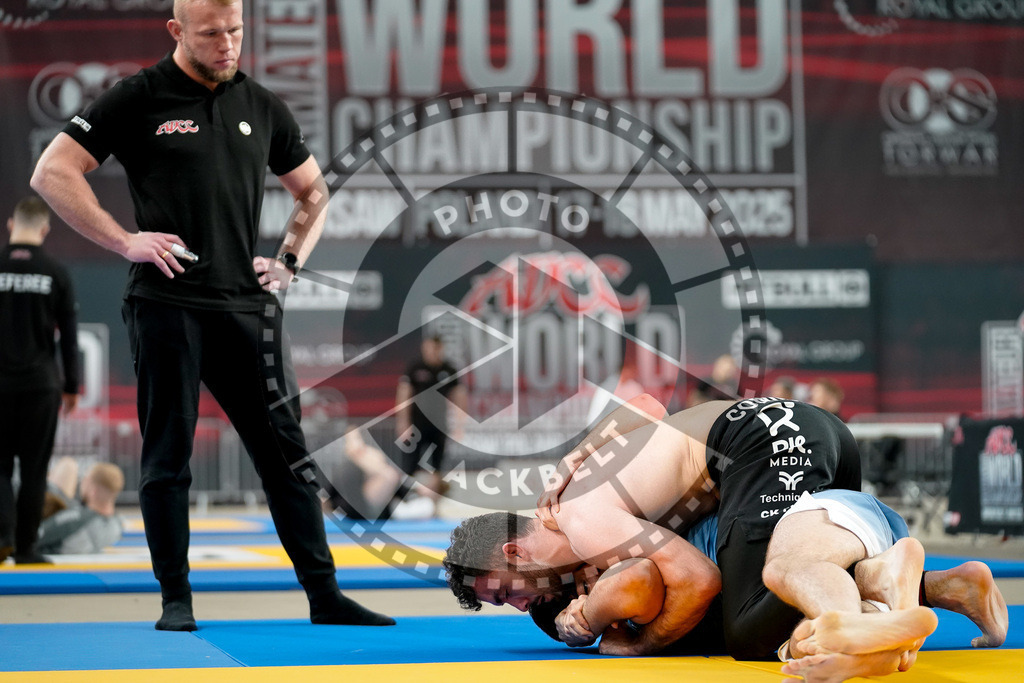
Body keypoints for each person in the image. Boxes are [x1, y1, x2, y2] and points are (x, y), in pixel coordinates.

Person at [30, 0, 393, 631]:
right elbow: (52, 171)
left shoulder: (262, 105)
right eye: (211, 34)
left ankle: (325, 595)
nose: (227, 44)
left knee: (286, 456)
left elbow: (313, 190)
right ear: (176, 32)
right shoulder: (137, 96)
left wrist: (289, 260)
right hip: (167, 305)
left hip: (245, 310)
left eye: (236, 31)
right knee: (168, 458)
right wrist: (124, 241)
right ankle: (176, 599)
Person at [447, 395, 871, 661]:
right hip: (812, 426)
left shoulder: (580, 520)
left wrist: (641, 645)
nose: (520, 607)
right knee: (816, 560)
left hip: (761, 443)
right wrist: (576, 453)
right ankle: (911, 583)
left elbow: (700, 580)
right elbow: (648, 405)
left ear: (513, 552)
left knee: (746, 632)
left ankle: (874, 600)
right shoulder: (572, 496)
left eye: (505, 593)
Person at [0, 196, 80, 565]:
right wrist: (71, 387)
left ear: (11, 225)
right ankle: (26, 547)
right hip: (40, 386)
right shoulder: (56, 273)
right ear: (45, 230)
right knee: (34, 470)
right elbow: (70, 335)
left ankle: (2, 537)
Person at [394, 334, 467, 515]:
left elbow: (459, 397)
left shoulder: (448, 369)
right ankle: (404, 501)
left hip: (439, 426)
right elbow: (404, 395)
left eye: (433, 349)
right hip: (416, 425)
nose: (430, 353)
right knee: (409, 465)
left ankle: (433, 505)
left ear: (439, 349)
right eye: (426, 349)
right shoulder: (415, 368)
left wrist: (459, 425)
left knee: (437, 466)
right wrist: (403, 423)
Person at [36, 456, 125, 555]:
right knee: (68, 466)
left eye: (85, 479)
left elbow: (37, 536)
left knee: (68, 466)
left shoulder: (76, 519)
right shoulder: (116, 524)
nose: (81, 482)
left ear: (93, 491)